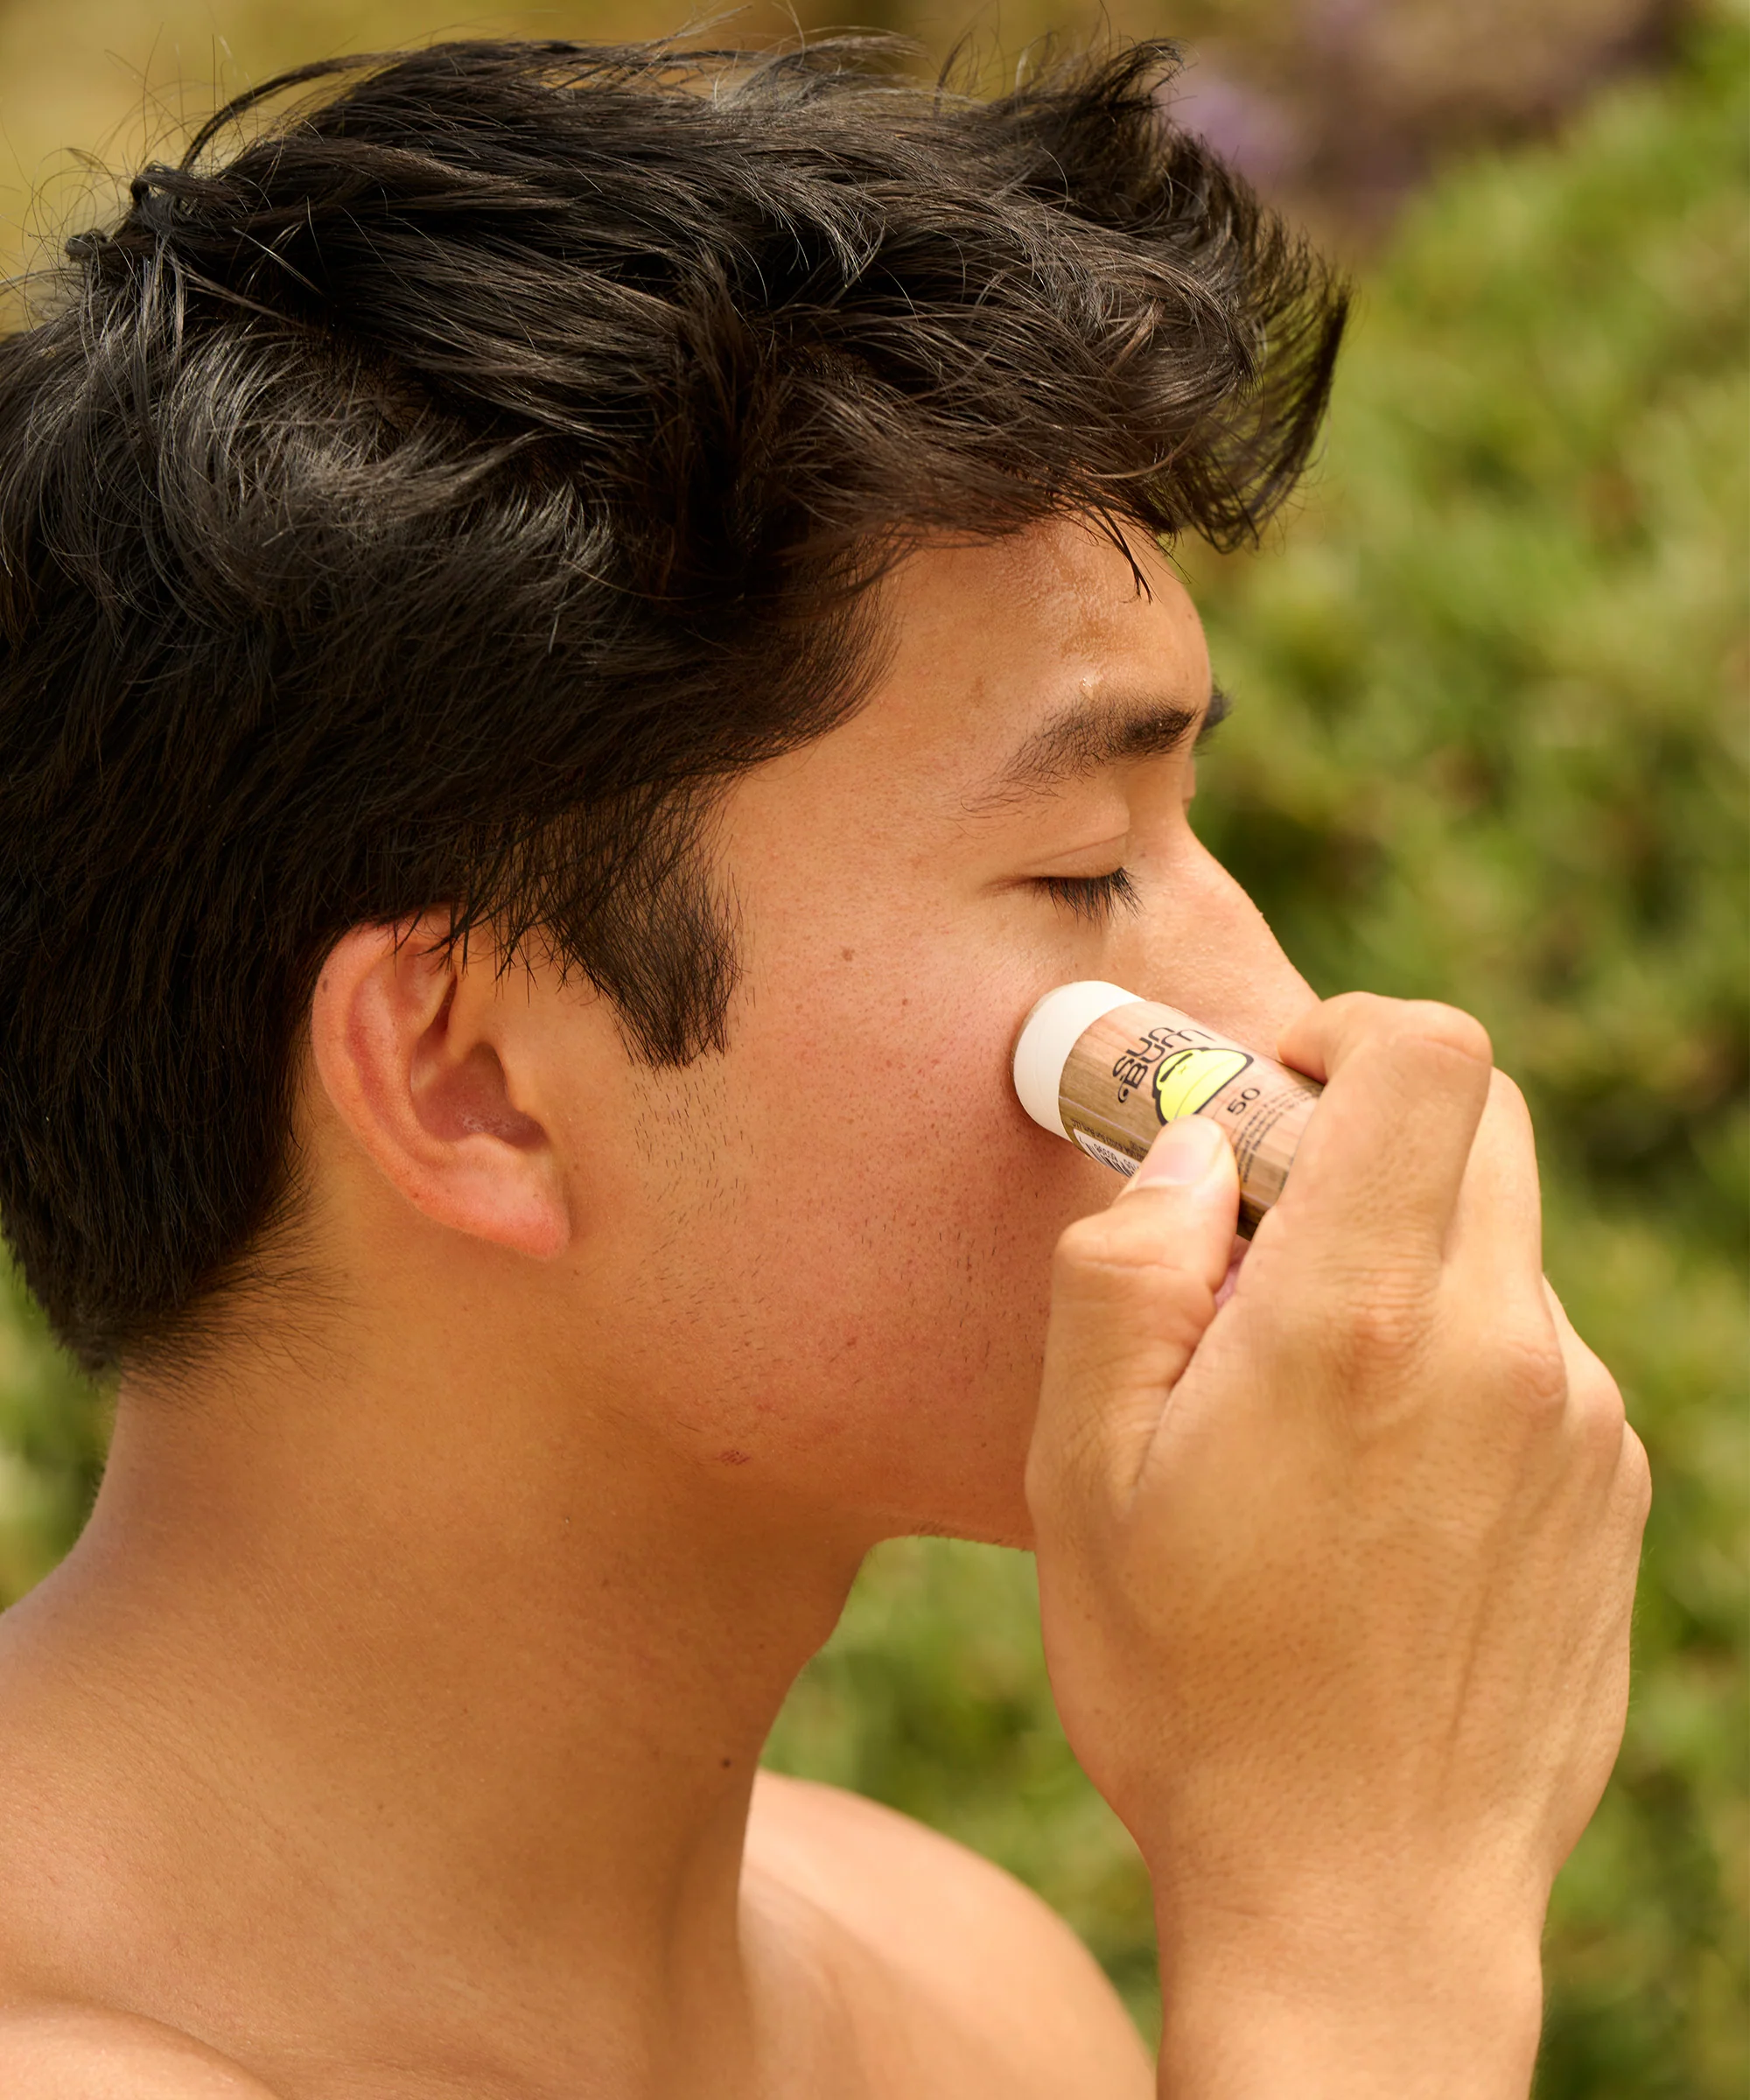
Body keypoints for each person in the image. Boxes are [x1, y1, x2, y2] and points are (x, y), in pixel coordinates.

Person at [0, 37, 1648, 2098]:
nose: (1277, 1011)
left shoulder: (962, 1991)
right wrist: (1359, 1948)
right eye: (1075, 873)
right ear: (471, 1079)